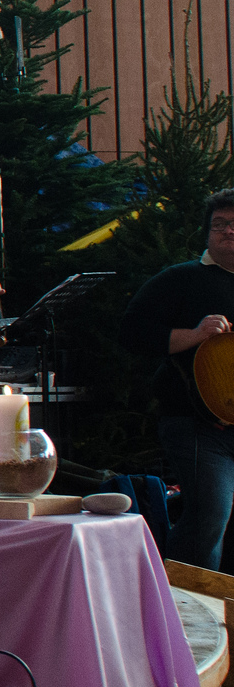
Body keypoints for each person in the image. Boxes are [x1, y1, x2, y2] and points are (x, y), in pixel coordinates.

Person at [120, 189, 234, 570]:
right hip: (196, 424)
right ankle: (186, 617)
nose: (229, 232)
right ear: (207, 233)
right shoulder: (180, 280)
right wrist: (197, 334)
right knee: (208, 518)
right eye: (220, 225)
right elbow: (132, 334)